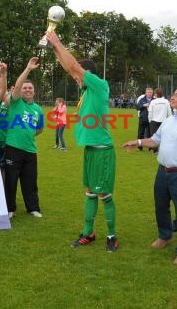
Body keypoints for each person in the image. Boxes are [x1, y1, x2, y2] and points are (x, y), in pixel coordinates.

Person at [47, 31, 119, 252]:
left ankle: (112, 236)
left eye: (81, 73)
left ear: (89, 74)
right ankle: (89, 233)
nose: (76, 77)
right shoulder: (86, 91)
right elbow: (71, 69)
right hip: (90, 149)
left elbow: (74, 68)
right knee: (89, 192)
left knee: (103, 194)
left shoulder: (99, 85)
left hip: (102, 151)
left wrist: (58, 41)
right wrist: (54, 49)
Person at [123, 86, 177, 265]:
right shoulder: (170, 120)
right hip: (163, 172)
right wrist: (137, 141)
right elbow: (155, 140)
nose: (173, 97)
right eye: (174, 94)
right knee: (160, 207)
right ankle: (165, 236)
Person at [4, 57, 44, 219]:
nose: (27, 90)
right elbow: (18, 86)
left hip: (30, 150)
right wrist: (28, 68)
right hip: (13, 148)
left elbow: (39, 129)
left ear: (34, 91)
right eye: (25, 88)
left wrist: (28, 134)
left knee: (30, 181)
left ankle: (33, 208)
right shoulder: (16, 102)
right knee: (11, 181)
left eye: (30, 88)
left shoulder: (38, 109)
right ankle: (10, 208)